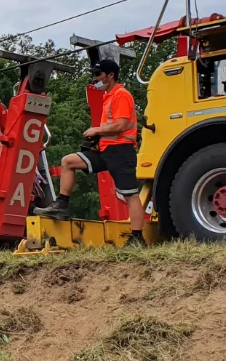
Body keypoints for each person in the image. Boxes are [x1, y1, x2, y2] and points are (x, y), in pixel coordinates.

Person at [36, 58, 146, 244]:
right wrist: (97, 139)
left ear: (110, 76)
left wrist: (97, 130)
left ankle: (137, 238)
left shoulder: (121, 95)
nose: (95, 79)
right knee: (68, 161)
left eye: (98, 75)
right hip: (105, 150)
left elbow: (121, 125)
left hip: (121, 151)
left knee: (130, 195)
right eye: (94, 75)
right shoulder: (108, 96)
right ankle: (61, 205)